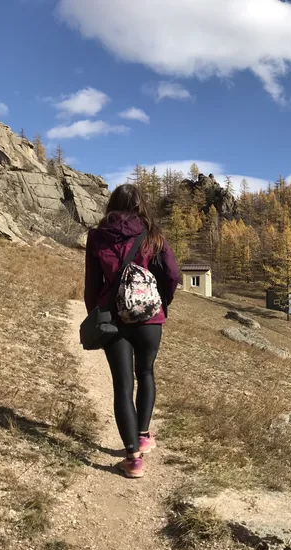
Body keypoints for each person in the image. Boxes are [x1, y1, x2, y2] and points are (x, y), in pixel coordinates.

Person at [84, 184, 180, 478]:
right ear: (140, 205)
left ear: (112, 204)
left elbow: (92, 284)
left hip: (114, 319)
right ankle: (143, 434)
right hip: (151, 319)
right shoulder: (153, 235)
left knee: (122, 386)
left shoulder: (98, 237)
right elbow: (173, 274)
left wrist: (96, 315)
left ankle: (133, 458)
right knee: (147, 373)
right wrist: (161, 304)